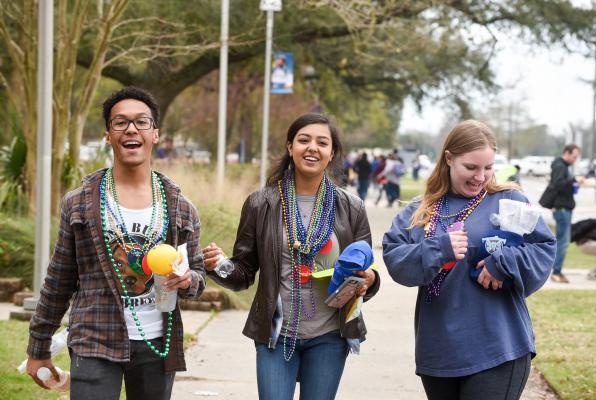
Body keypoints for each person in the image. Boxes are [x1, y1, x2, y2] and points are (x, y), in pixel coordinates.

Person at [26, 86, 205, 399]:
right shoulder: (80, 203)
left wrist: (188, 279)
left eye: (141, 122)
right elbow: (59, 280)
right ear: (108, 135)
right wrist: (39, 346)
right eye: (120, 122)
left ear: (155, 134)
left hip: (157, 343)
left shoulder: (180, 206)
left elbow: (198, 277)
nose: (131, 129)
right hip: (94, 337)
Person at [202, 113, 380, 400]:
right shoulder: (261, 203)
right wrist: (219, 265)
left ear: (332, 153)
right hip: (277, 336)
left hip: (330, 336)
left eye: (322, 142)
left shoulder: (352, 207)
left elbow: (363, 272)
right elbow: (244, 272)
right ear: (289, 147)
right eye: (304, 140)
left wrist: (369, 281)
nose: (312, 148)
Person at [382, 120, 556, 400]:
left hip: (497, 348)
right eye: (471, 168)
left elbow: (544, 248)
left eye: (488, 168)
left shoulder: (509, 200)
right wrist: (438, 249)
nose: (481, 177)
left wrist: (503, 263)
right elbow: (395, 258)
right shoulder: (421, 209)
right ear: (449, 158)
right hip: (438, 353)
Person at [541, 144, 584, 283]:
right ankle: (556, 272)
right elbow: (557, 184)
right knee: (563, 242)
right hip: (562, 209)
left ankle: (556, 270)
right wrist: (574, 180)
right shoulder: (560, 166)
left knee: (562, 241)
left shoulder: (563, 166)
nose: (575, 159)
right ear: (567, 152)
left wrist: (574, 183)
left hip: (564, 208)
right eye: (574, 156)